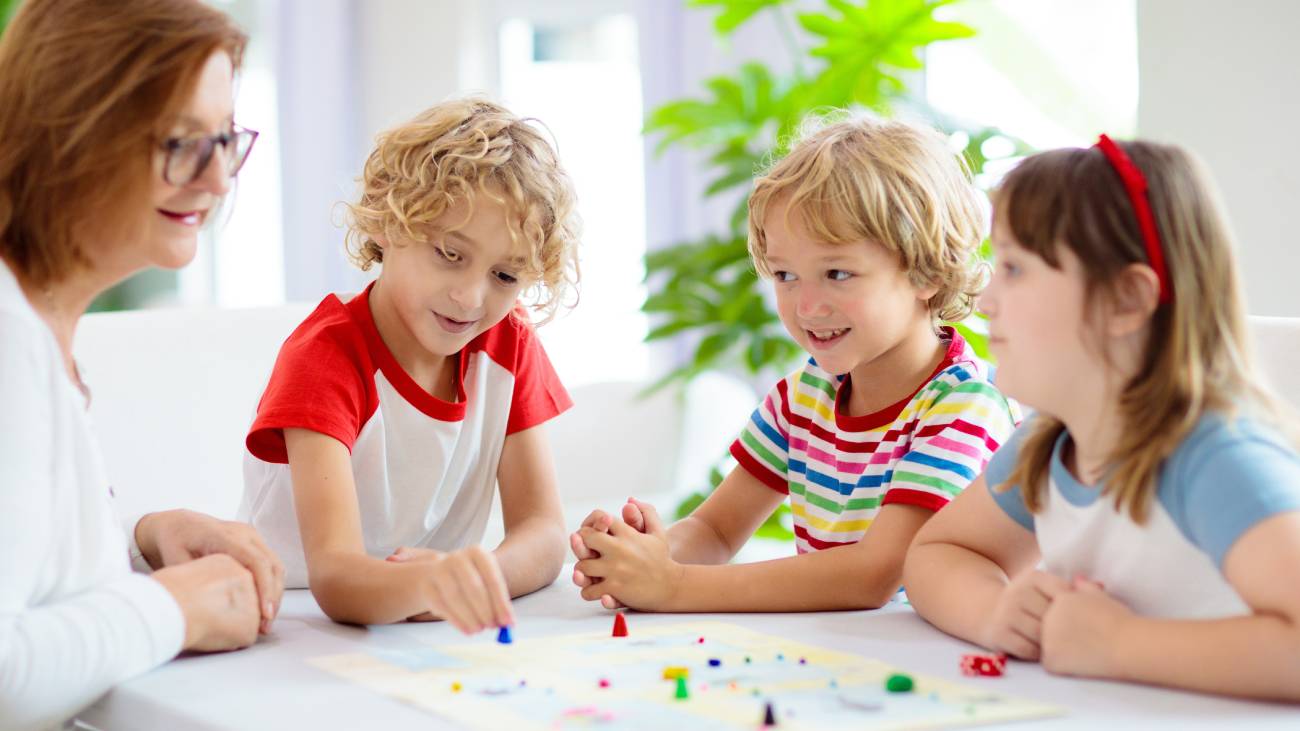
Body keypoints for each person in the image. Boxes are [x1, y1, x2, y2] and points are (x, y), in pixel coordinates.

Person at [902, 136, 1300, 701]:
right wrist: (996, 613)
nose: (986, 298)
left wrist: (1120, 645)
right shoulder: (1050, 442)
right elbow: (939, 554)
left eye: (1015, 268)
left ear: (1126, 300)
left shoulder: (1214, 459)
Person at [571, 114, 1018, 613]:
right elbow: (715, 529)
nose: (806, 307)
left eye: (837, 273)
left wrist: (673, 586)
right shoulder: (803, 396)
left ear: (925, 270)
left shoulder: (962, 407)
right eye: (785, 275)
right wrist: (643, 560)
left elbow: (871, 576)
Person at [0, 1, 284, 728]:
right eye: (185, 142)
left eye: (225, 141)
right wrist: (173, 606)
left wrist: (140, 540)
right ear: (75, 130)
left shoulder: (38, 320)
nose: (218, 181)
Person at [241, 98, 580, 633]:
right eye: (450, 254)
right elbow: (336, 576)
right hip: (291, 618)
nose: (471, 298)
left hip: (427, 622)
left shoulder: (508, 344)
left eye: (506, 276)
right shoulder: (326, 356)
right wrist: (436, 585)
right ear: (385, 220)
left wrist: (469, 578)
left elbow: (542, 531)